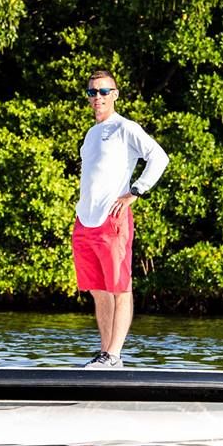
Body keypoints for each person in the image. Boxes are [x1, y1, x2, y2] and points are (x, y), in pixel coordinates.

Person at [72, 69, 169, 367]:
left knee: (120, 288)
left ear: (114, 94)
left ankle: (115, 353)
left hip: (112, 220)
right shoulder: (90, 135)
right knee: (99, 292)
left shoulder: (125, 127)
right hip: (85, 222)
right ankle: (105, 354)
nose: (97, 97)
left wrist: (136, 191)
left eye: (103, 92)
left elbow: (159, 157)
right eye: (92, 92)